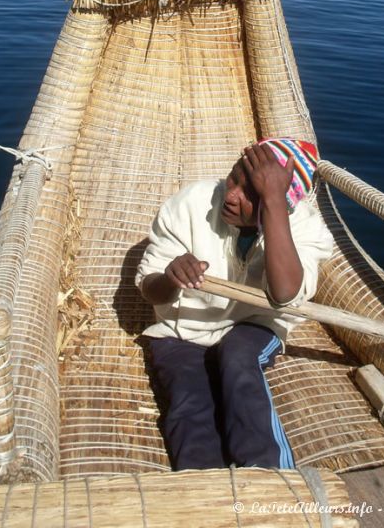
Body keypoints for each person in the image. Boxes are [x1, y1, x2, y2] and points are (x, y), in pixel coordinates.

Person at [135, 138, 334, 470]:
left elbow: (284, 295)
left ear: (284, 206)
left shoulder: (306, 227)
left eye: (250, 195)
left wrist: (271, 203)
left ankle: (272, 481)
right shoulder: (189, 205)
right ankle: (206, 495)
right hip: (182, 329)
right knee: (189, 401)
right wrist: (170, 280)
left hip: (255, 322)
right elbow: (150, 289)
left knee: (239, 363)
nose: (231, 195)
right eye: (234, 178)